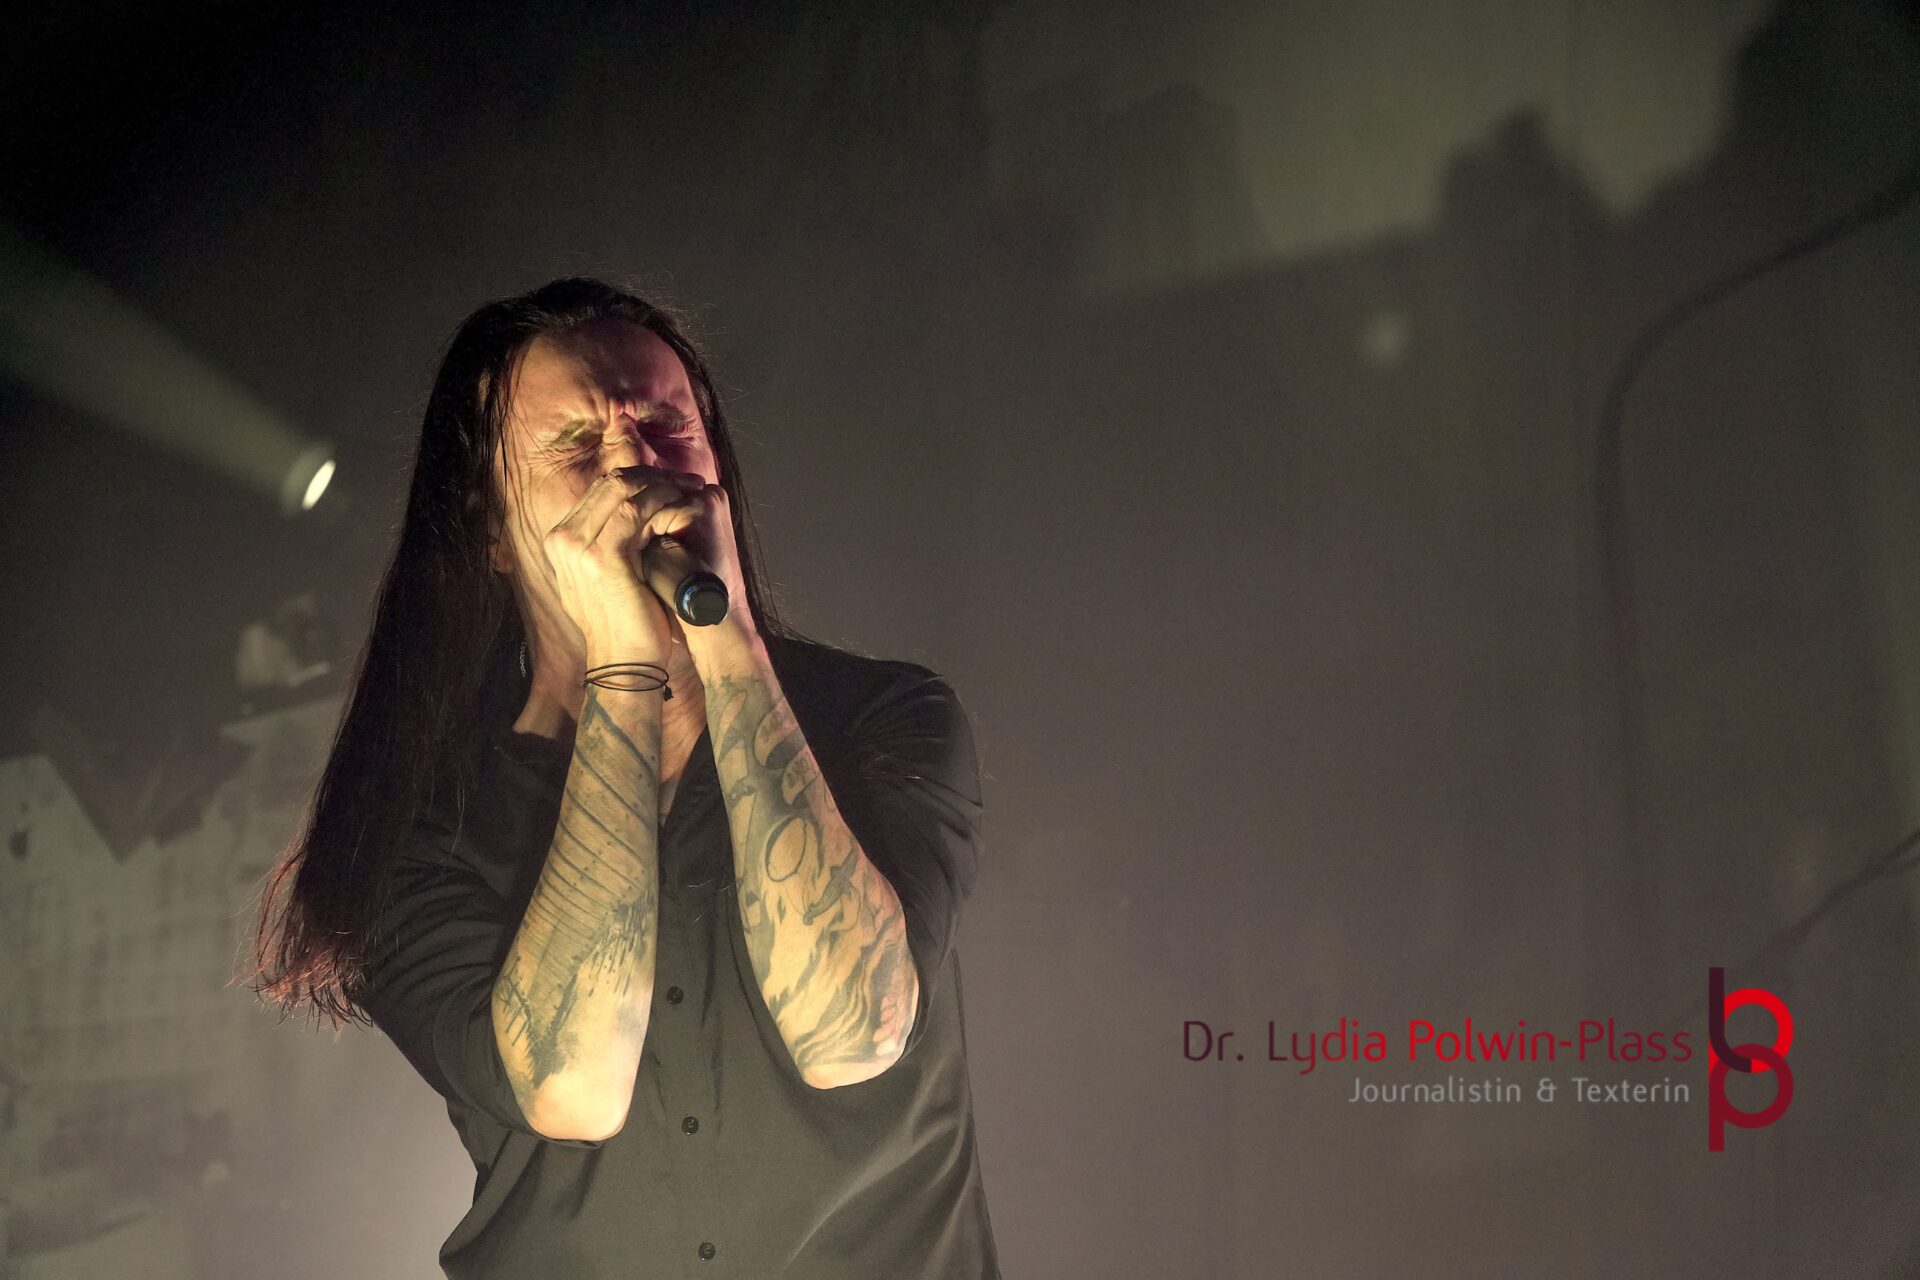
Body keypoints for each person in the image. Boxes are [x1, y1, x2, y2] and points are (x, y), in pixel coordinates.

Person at [246, 278, 1000, 1278]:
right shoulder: (414, 827)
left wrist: (726, 635)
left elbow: (853, 1033)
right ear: (489, 526)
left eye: (666, 427)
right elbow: (570, 1086)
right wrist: (623, 673)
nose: (633, 468)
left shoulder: (884, 717)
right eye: (575, 447)